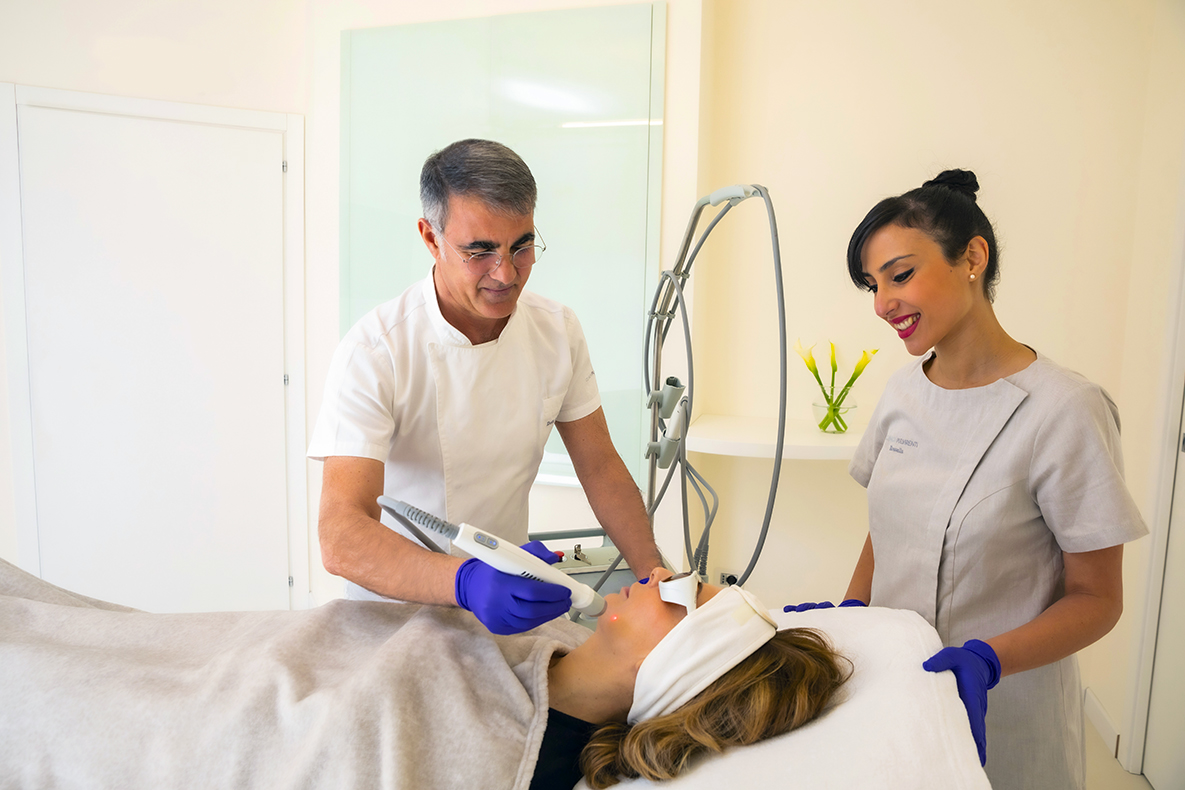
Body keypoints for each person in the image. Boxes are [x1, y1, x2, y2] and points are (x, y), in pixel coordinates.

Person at [0, 557, 848, 790]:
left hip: (236, 728)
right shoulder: (542, 632)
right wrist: (460, 577)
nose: (652, 574)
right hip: (242, 653)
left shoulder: (533, 765)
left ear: (675, 663)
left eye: (675, 597)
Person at [834, 168, 1147, 790]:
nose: (882, 303)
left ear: (972, 257)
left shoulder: (1065, 408)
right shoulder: (902, 392)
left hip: (1008, 711)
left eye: (900, 275)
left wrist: (988, 660)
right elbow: (890, 529)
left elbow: (1098, 599)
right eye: (873, 286)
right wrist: (850, 615)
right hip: (900, 694)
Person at [308, 139, 663, 634]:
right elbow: (341, 534)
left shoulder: (557, 330)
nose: (506, 273)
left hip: (507, 606)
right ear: (431, 239)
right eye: (480, 252)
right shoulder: (377, 351)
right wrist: (466, 582)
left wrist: (657, 579)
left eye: (522, 246)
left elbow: (600, 466)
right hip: (395, 614)